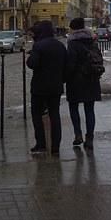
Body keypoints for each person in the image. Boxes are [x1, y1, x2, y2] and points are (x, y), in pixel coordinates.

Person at [26, 20, 67, 155]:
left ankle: (41, 144)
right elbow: (66, 66)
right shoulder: (60, 46)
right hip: (56, 86)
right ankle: (55, 147)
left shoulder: (39, 46)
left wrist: (32, 54)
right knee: (55, 115)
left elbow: (32, 64)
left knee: (37, 115)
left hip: (39, 87)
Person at [65, 17, 103, 150]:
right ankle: (89, 138)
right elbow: (99, 58)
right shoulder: (92, 41)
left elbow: (70, 64)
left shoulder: (72, 43)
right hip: (91, 80)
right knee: (89, 109)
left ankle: (78, 135)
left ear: (73, 29)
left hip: (75, 81)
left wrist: (65, 77)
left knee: (73, 108)